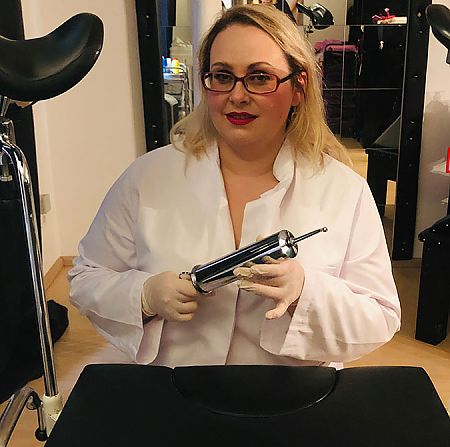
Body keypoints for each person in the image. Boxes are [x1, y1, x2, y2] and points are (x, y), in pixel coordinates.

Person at [68, 4, 400, 368]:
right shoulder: (148, 177)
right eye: (223, 76)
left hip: (293, 392)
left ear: (298, 87)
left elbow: (380, 316)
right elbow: (87, 278)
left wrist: (307, 293)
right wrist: (144, 296)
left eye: (260, 77)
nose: (237, 96)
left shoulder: (344, 191)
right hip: (174, 386)